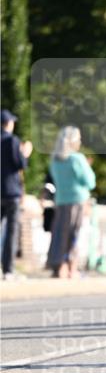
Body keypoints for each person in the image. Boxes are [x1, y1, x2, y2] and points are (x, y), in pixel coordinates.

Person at [47, 126, 96, 278]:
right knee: (74, 234)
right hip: (77, 200)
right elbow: (90, 181)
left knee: (59, 234)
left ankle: (58, 265)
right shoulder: (77, 159)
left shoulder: (55, 159)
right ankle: (71, 268)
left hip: (60, 200)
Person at [1, 109, 32, 280]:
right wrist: (25, 154)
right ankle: (8, 270)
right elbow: (20, 164)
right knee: (11, 232)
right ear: (9, 124)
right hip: (11, 192)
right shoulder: (12, 140)